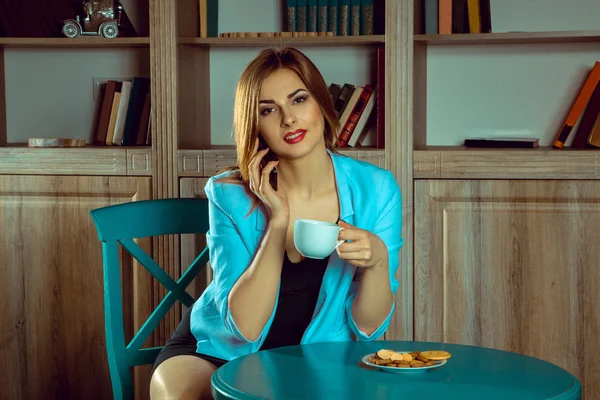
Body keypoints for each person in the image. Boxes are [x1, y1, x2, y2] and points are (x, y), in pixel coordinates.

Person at [149, 46, 403, 400]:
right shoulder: (229, 195)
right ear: (255, 126)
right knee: (180, 393)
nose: (288, 119)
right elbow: (245, 327)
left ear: (321, 104)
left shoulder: (376, 189)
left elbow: (369, 329)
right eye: (268, 110)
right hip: (221, 350)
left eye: (299, 100)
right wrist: (278, 221)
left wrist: (377, 263)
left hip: (318, 356)